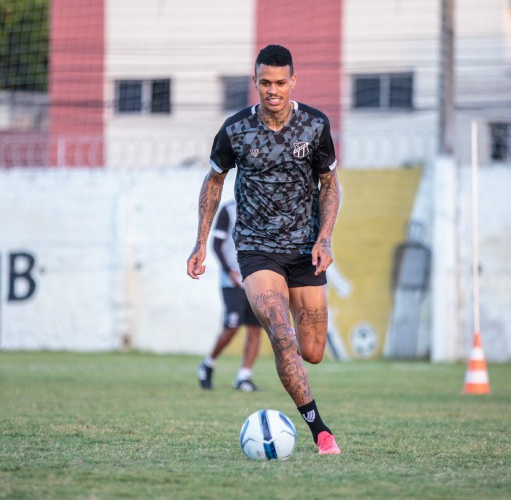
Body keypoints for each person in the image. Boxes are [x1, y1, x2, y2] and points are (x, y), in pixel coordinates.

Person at [187, 44, 341, 455]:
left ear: (293, 81)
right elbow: (214, 181)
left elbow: (329, 184)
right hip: (257, 250)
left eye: (280, 82)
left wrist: (324, 237)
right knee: (279, 331)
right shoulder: (236, 129)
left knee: (312, 351)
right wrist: (201, 242)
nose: (273, 90)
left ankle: (302, 377)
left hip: (305, 250)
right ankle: (320, 431)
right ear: (255, 82)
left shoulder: (315, 126)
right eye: (264, 83)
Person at [198, 200, 263, 392]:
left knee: (255, 329)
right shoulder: (229, 210)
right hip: (232, 281)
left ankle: (243, 377)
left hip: (256, 280)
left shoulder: (263, 208)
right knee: (232, 326)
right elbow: (217, 244)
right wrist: (229, 271)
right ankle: (208, 363)